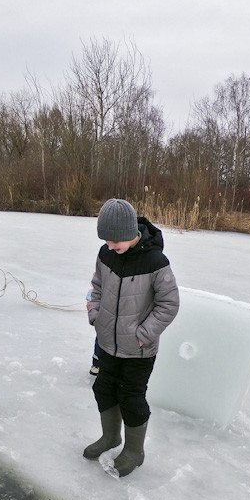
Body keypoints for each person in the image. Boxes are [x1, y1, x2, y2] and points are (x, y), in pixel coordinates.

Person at [83, 198, 179, 477]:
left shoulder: (156, 262)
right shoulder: (106, 254)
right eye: (106, 241)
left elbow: (169, 304)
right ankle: (110, 437)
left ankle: (135, 451)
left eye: (115, 241)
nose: (110, 246)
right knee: (103, 388)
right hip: (108, 342)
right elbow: (96, 287)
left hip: (139, 350)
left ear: (130, 234)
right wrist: (95, 316)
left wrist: (143, 335)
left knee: (131, 397)